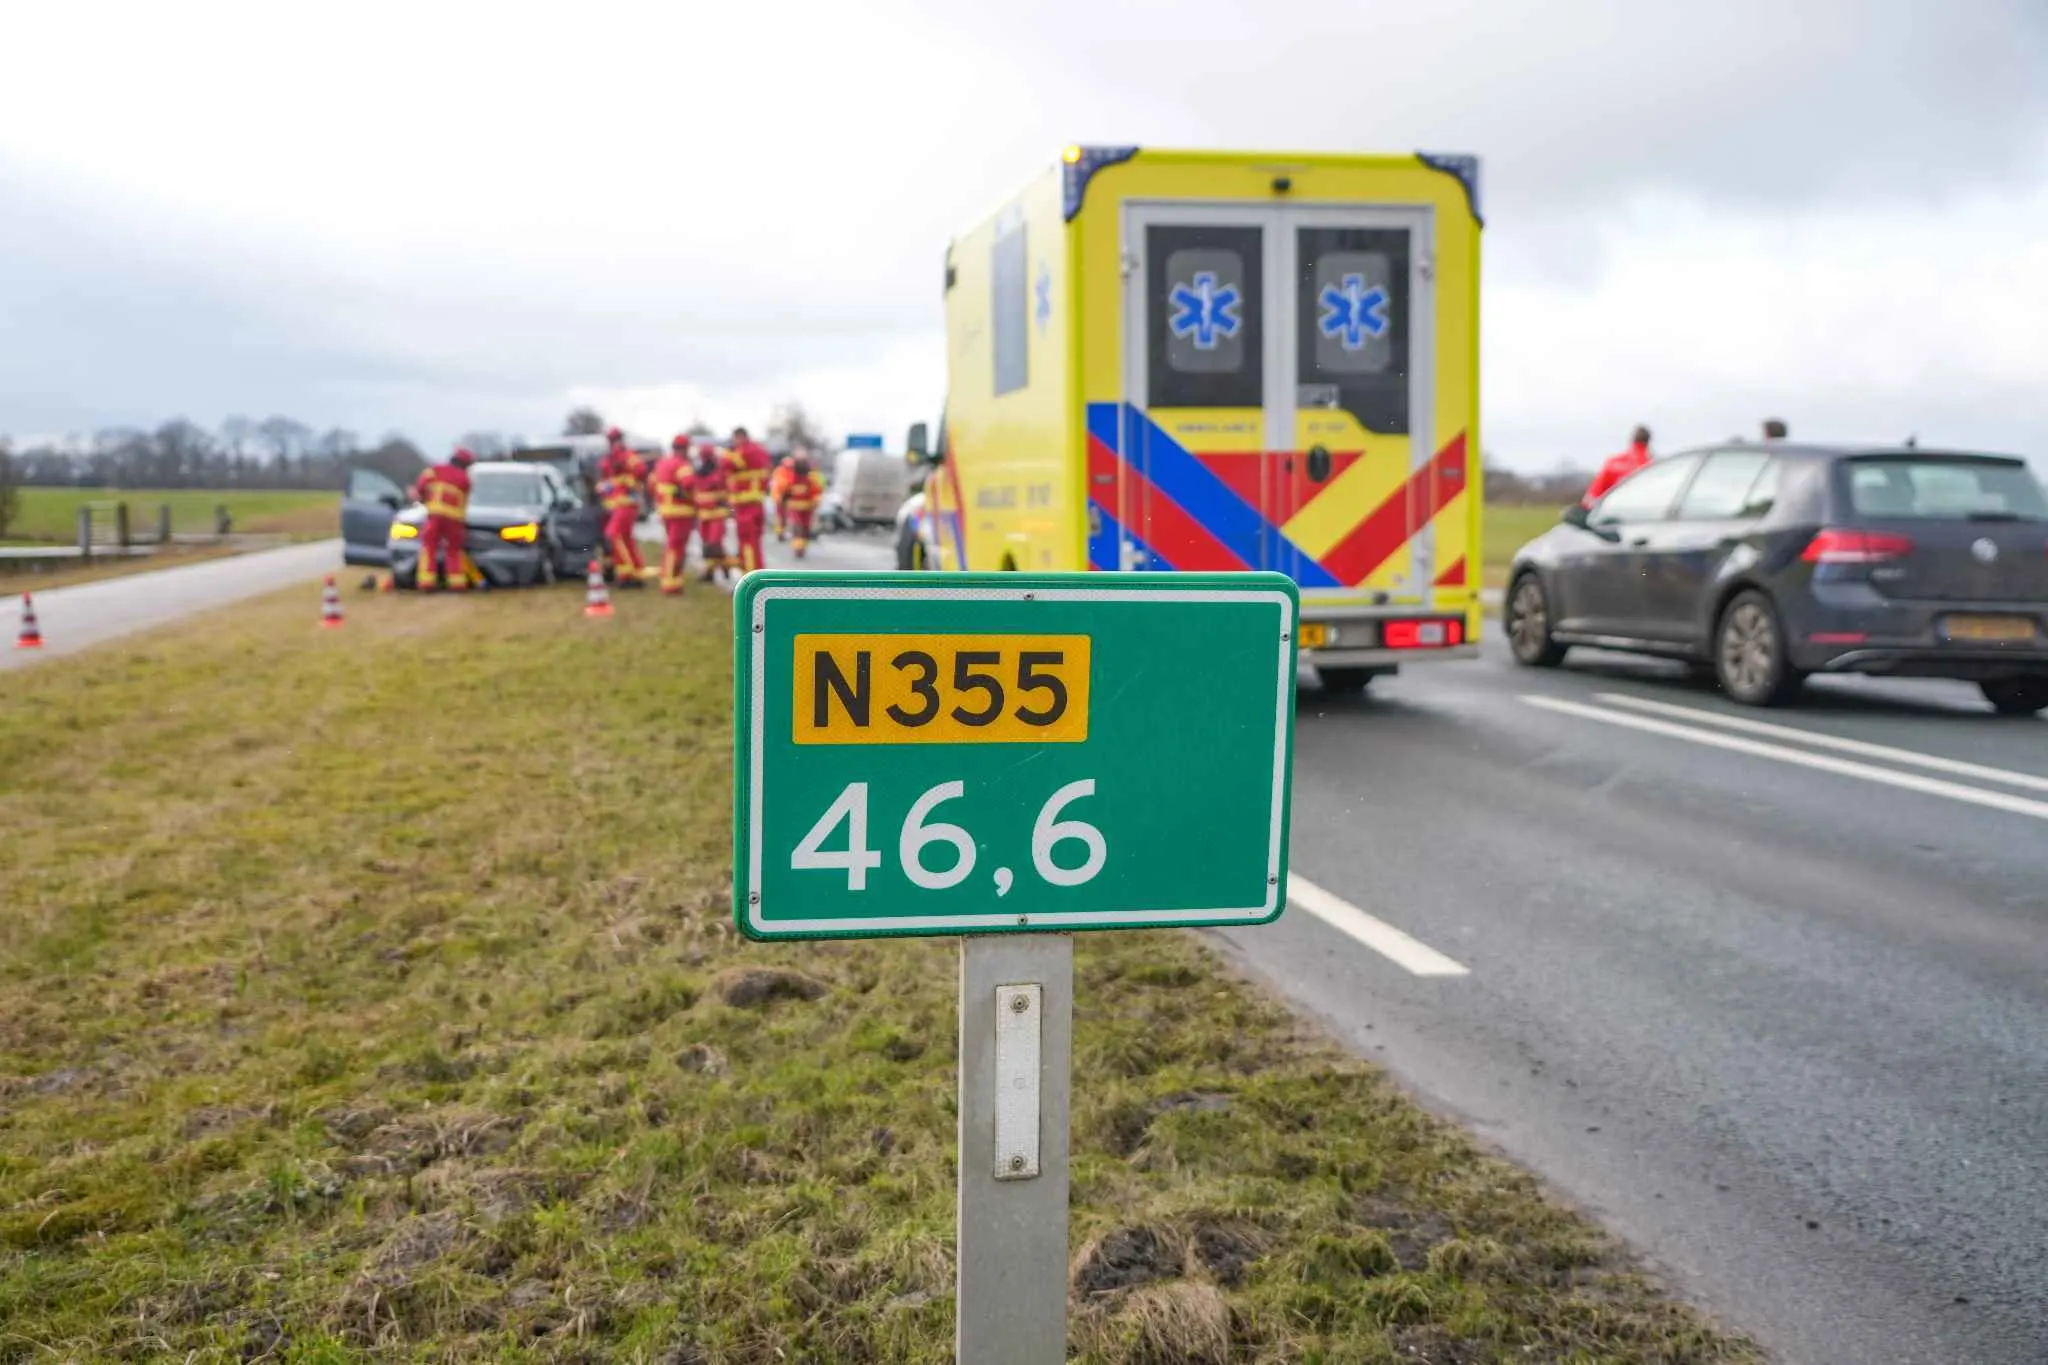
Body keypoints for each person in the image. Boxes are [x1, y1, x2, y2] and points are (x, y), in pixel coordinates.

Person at [411, 447, 476, 591]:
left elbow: (420, 487)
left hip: (434, 517)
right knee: (454, 551)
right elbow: (464, 501)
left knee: (429, 548)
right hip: (455, 520)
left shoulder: (434, 470)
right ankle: (457, 583)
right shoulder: (465, 479)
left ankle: (426, 582)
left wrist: (424, 499)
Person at [597, 427, 653, 584]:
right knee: (626, 539)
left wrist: (629, 476)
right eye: (611, 440)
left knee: (613, 535)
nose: (613, 443)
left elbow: (640, 471)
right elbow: (606, 481)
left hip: (627, 504)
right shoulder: (608, 460)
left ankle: (628, 572)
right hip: (614, 506)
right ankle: (636, 569)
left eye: (616, 440)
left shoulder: (628, 457)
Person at [650, 435, 699, 595]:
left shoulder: (662, 463)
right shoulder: (683, 465)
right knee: (676, 548)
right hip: (681, 512)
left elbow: (651, 484)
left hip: (665, 511)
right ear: (685, 449)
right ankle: (670, 583)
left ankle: (673, 579)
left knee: (671, 545)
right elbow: (689, 484)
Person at [723, 425, 774, 575]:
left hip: (746, 506)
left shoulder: (745, 451)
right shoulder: (760, 450)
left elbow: (728, 464)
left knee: (748, 544)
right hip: (757, 503)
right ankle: (757, 575)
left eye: (735, 439)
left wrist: (725, 452)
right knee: (754, 544)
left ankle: (750, 580)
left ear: (740, 437)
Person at [1582, 425, 1653, 506]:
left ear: (1632, 440)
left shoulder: (1613, 462)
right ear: (1648, 442)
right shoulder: (1653, 466)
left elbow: (1590, 499)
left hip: (1613, 513)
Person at [692, 443, 732, 581]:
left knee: (715, 544)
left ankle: (726, 565)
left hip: (717, 514)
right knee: (707, 546)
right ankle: (709, 572)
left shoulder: (720, 472)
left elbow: (727, 489)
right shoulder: (698, 473)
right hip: (703, 515)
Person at [778, 455, 828, 559]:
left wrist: (815, 501)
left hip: (805, 508)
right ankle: (799, 548)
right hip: (798, 507)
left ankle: (801, 548)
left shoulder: (808, 479)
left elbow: (816, 491)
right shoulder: (793, 478)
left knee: (803, 528)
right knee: (799, 528)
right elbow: (785, 491)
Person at [769, 452, 798, 540]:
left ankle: (787, 532)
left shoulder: (793, 472)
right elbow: (779, 484)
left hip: (789, 496)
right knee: (780, 516)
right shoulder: (779, 471)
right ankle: (780, 533)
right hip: (780, 496)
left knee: (789, 515)